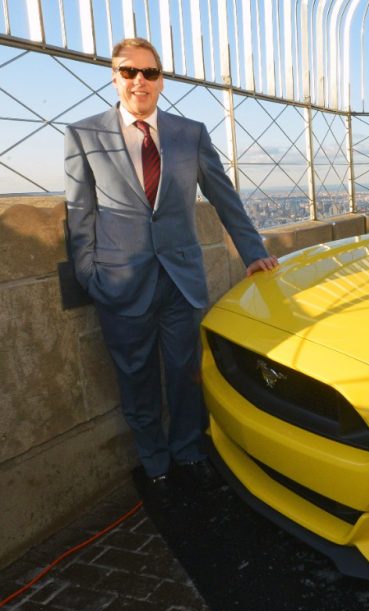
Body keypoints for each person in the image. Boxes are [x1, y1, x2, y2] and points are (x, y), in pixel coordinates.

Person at [64, 37, 278, 494]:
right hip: (120, 284)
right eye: (129, 71)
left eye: (150, 73)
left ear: (161, 81)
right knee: (136, 377)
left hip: (180, 281)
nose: (139, 81)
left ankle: (188, 451)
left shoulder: (190, 133)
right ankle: (154, 462)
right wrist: (90, 275)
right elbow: (79, 215)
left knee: (184, 373)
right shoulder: (84, 134)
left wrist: (253, 250)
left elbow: (224, 196)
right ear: (114, 77)